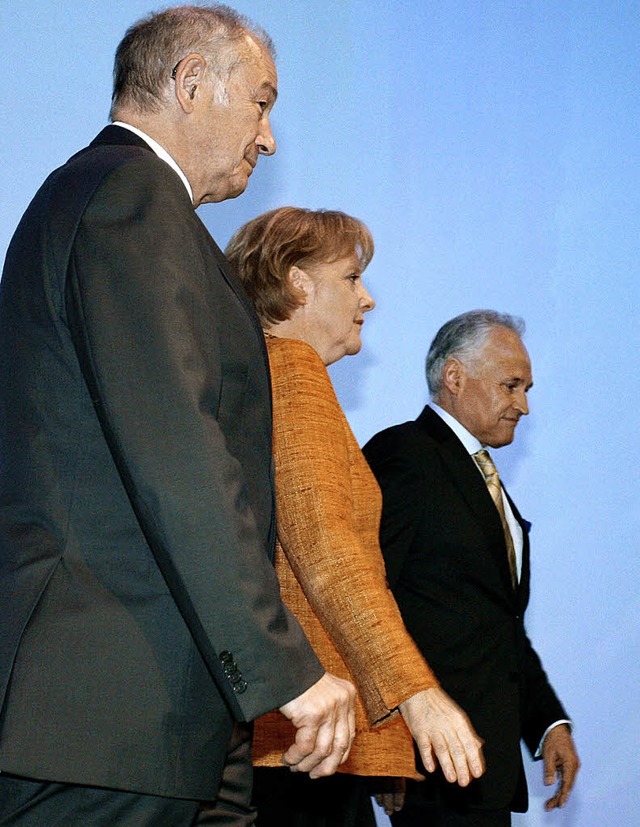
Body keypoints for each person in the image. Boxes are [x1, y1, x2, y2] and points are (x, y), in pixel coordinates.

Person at [0, 7, 356, 826]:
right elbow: (179, 455)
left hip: (161, 723)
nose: (268, 138)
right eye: (262, 103)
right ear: (193, 84)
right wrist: (286, 668)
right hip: (108, 717)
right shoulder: (130, 198)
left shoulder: (124, 206)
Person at [225, 207, 485, 827]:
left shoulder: (260, 370)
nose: (368, 298)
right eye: (351, 278)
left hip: (297, 734)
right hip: (305, 739)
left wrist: (383, 740)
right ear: (296, 282)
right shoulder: (292, 370)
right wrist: (414, 695)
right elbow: (327, 549)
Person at [362, 310, 580, 826]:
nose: (523, 405)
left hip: (485, 768)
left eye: (526, 389)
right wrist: (387, 743)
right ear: (455, 377)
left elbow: (498, 625)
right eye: (511, 385)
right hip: (430, 765)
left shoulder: (483, 476)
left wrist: (547, 722)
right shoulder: (406, 454)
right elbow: (368, 599)